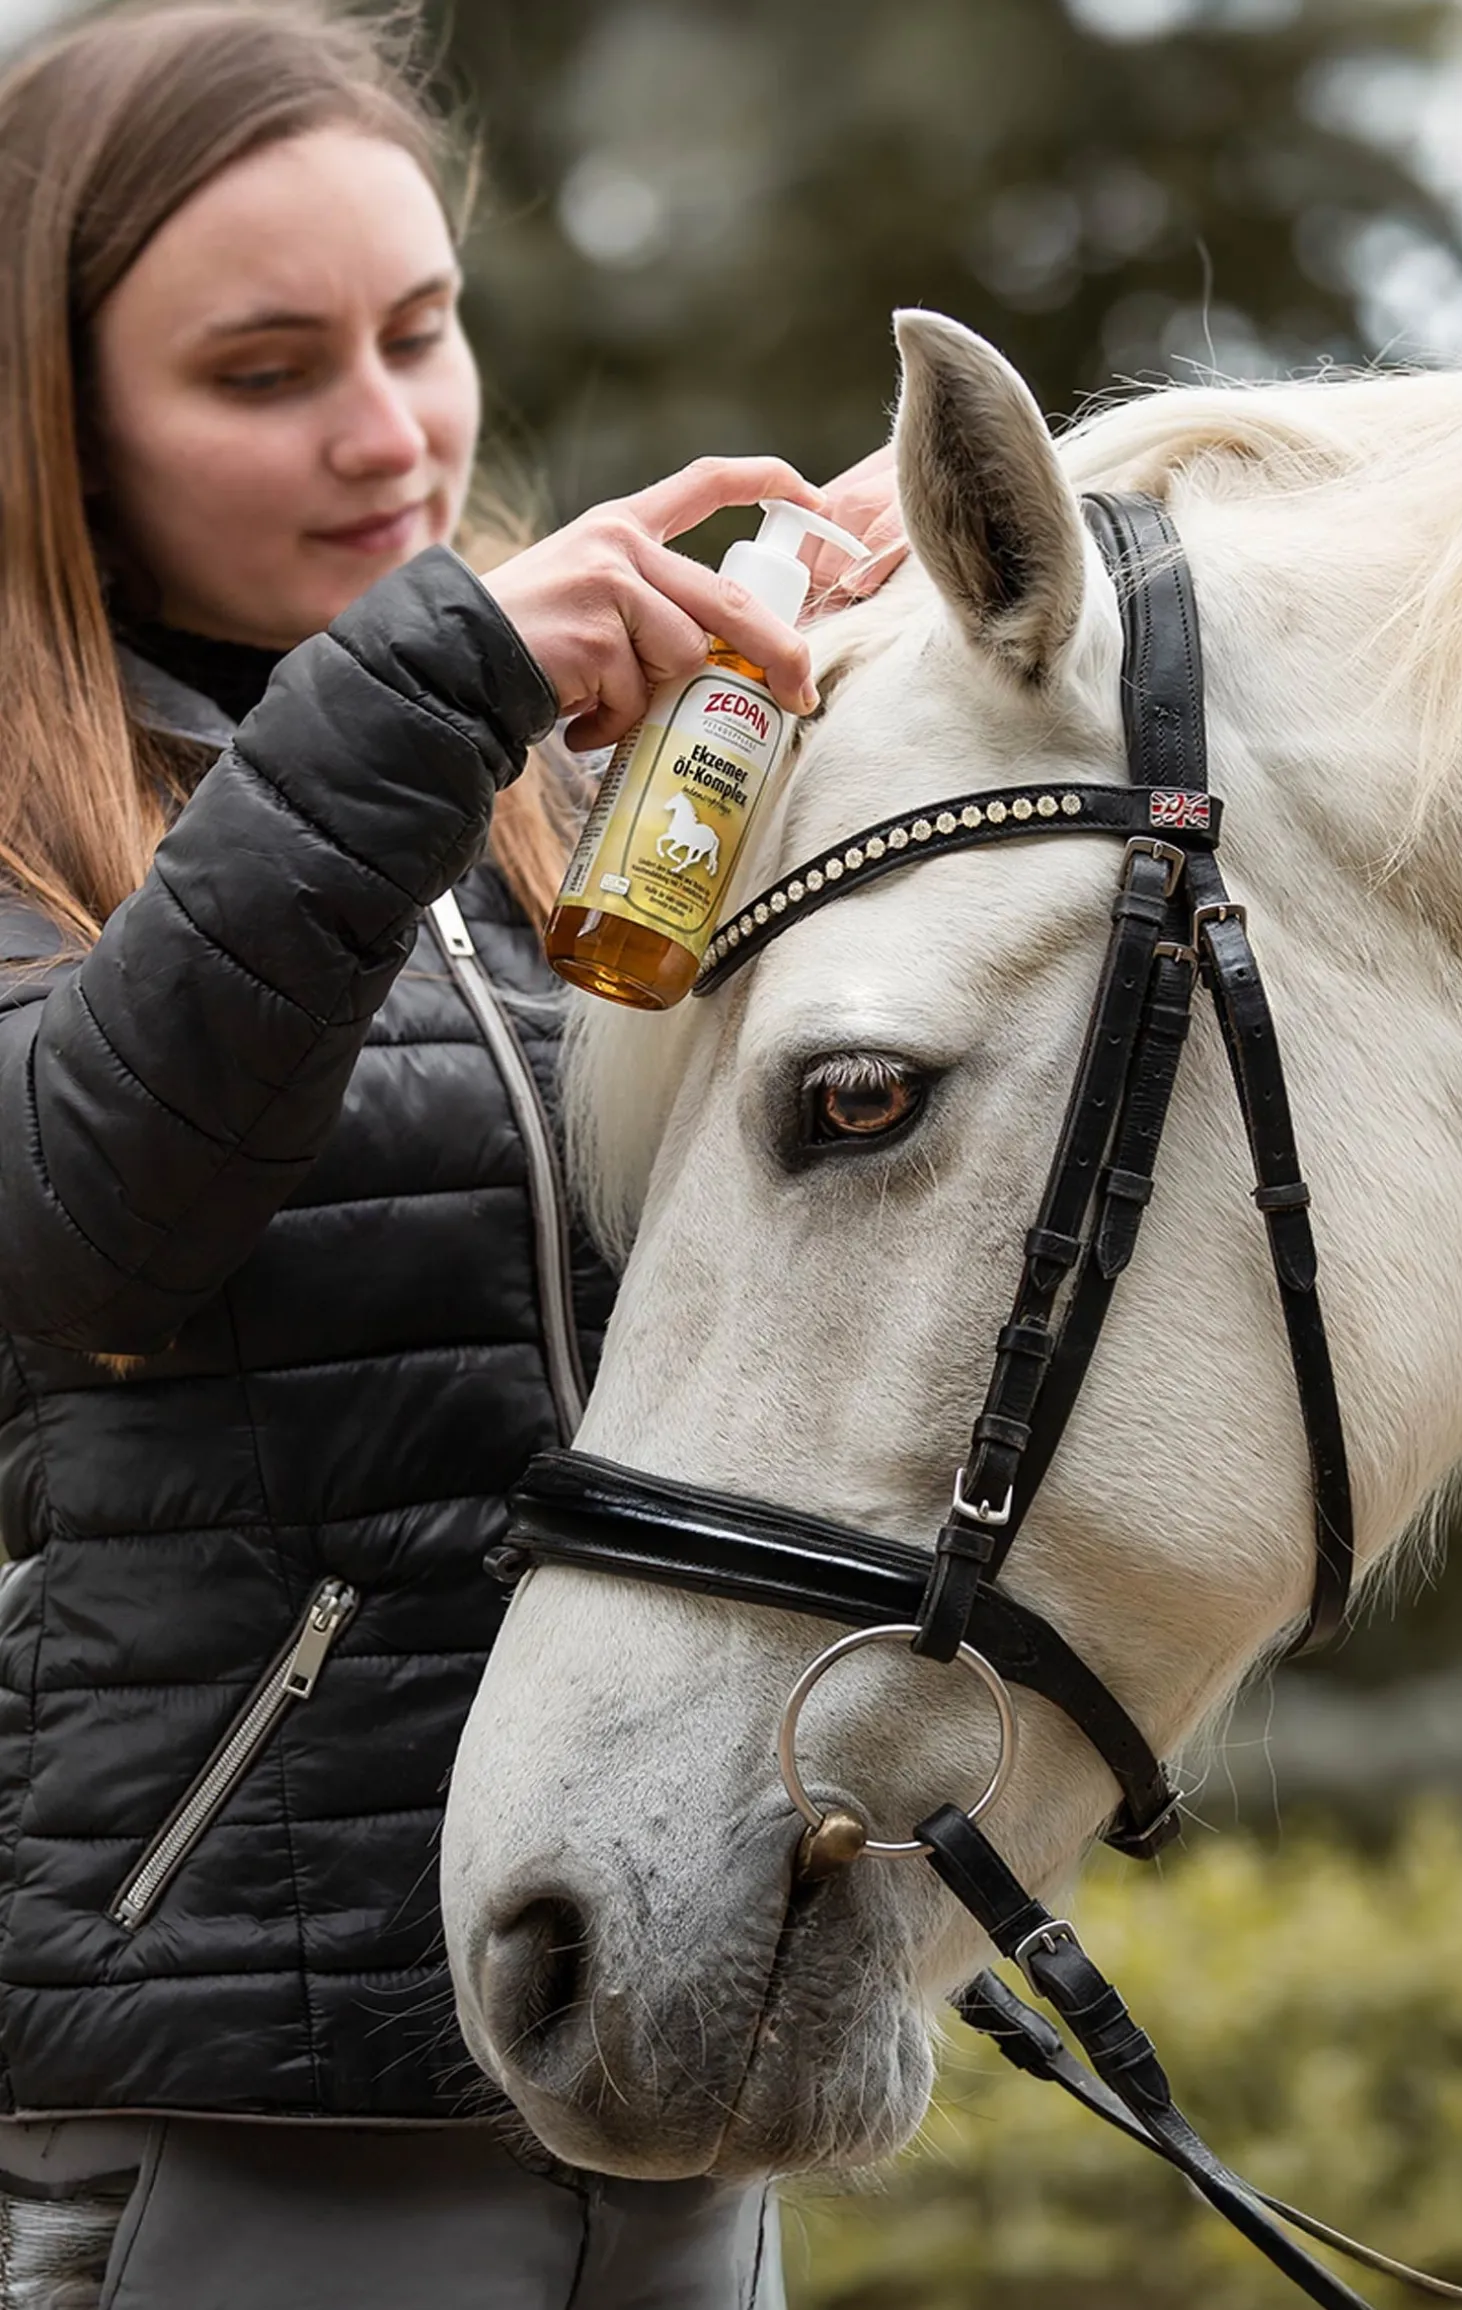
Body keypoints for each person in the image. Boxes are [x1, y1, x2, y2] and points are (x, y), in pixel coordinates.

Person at [0, 6, 900, 2305]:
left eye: (420, 330)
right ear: (61, 412)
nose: (390, 434)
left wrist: (903, 692)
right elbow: (78, 1223)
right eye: (265, 368)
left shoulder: (560, 768)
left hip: (662, 2024)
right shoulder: (135, 774)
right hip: (244, 2101)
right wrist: (412, 704)